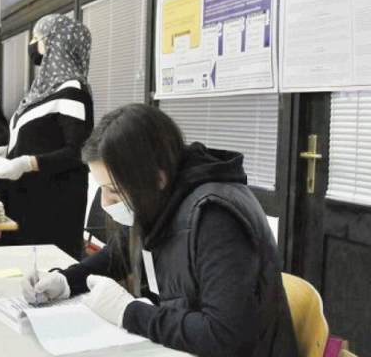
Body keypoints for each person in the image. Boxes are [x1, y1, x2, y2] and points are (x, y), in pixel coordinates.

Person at [22, 104, 298, 355]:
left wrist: (129, 312)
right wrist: (66, 281)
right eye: (102, 189)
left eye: (114, 191)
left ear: (158, 178)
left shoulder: (215, 217)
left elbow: (226, 337)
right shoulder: (159, 199)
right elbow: (118, 254)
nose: (105, 203)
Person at [0, 14, 94, 259]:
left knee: (40, 270)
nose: (32, 44)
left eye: (37, 37)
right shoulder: (43, 89)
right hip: (23, 197)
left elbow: (78, 152)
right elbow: (40, 137)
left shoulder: (73, 91)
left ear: (55, 42)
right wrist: (9, 149)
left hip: (50, 205)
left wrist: (28, 162)